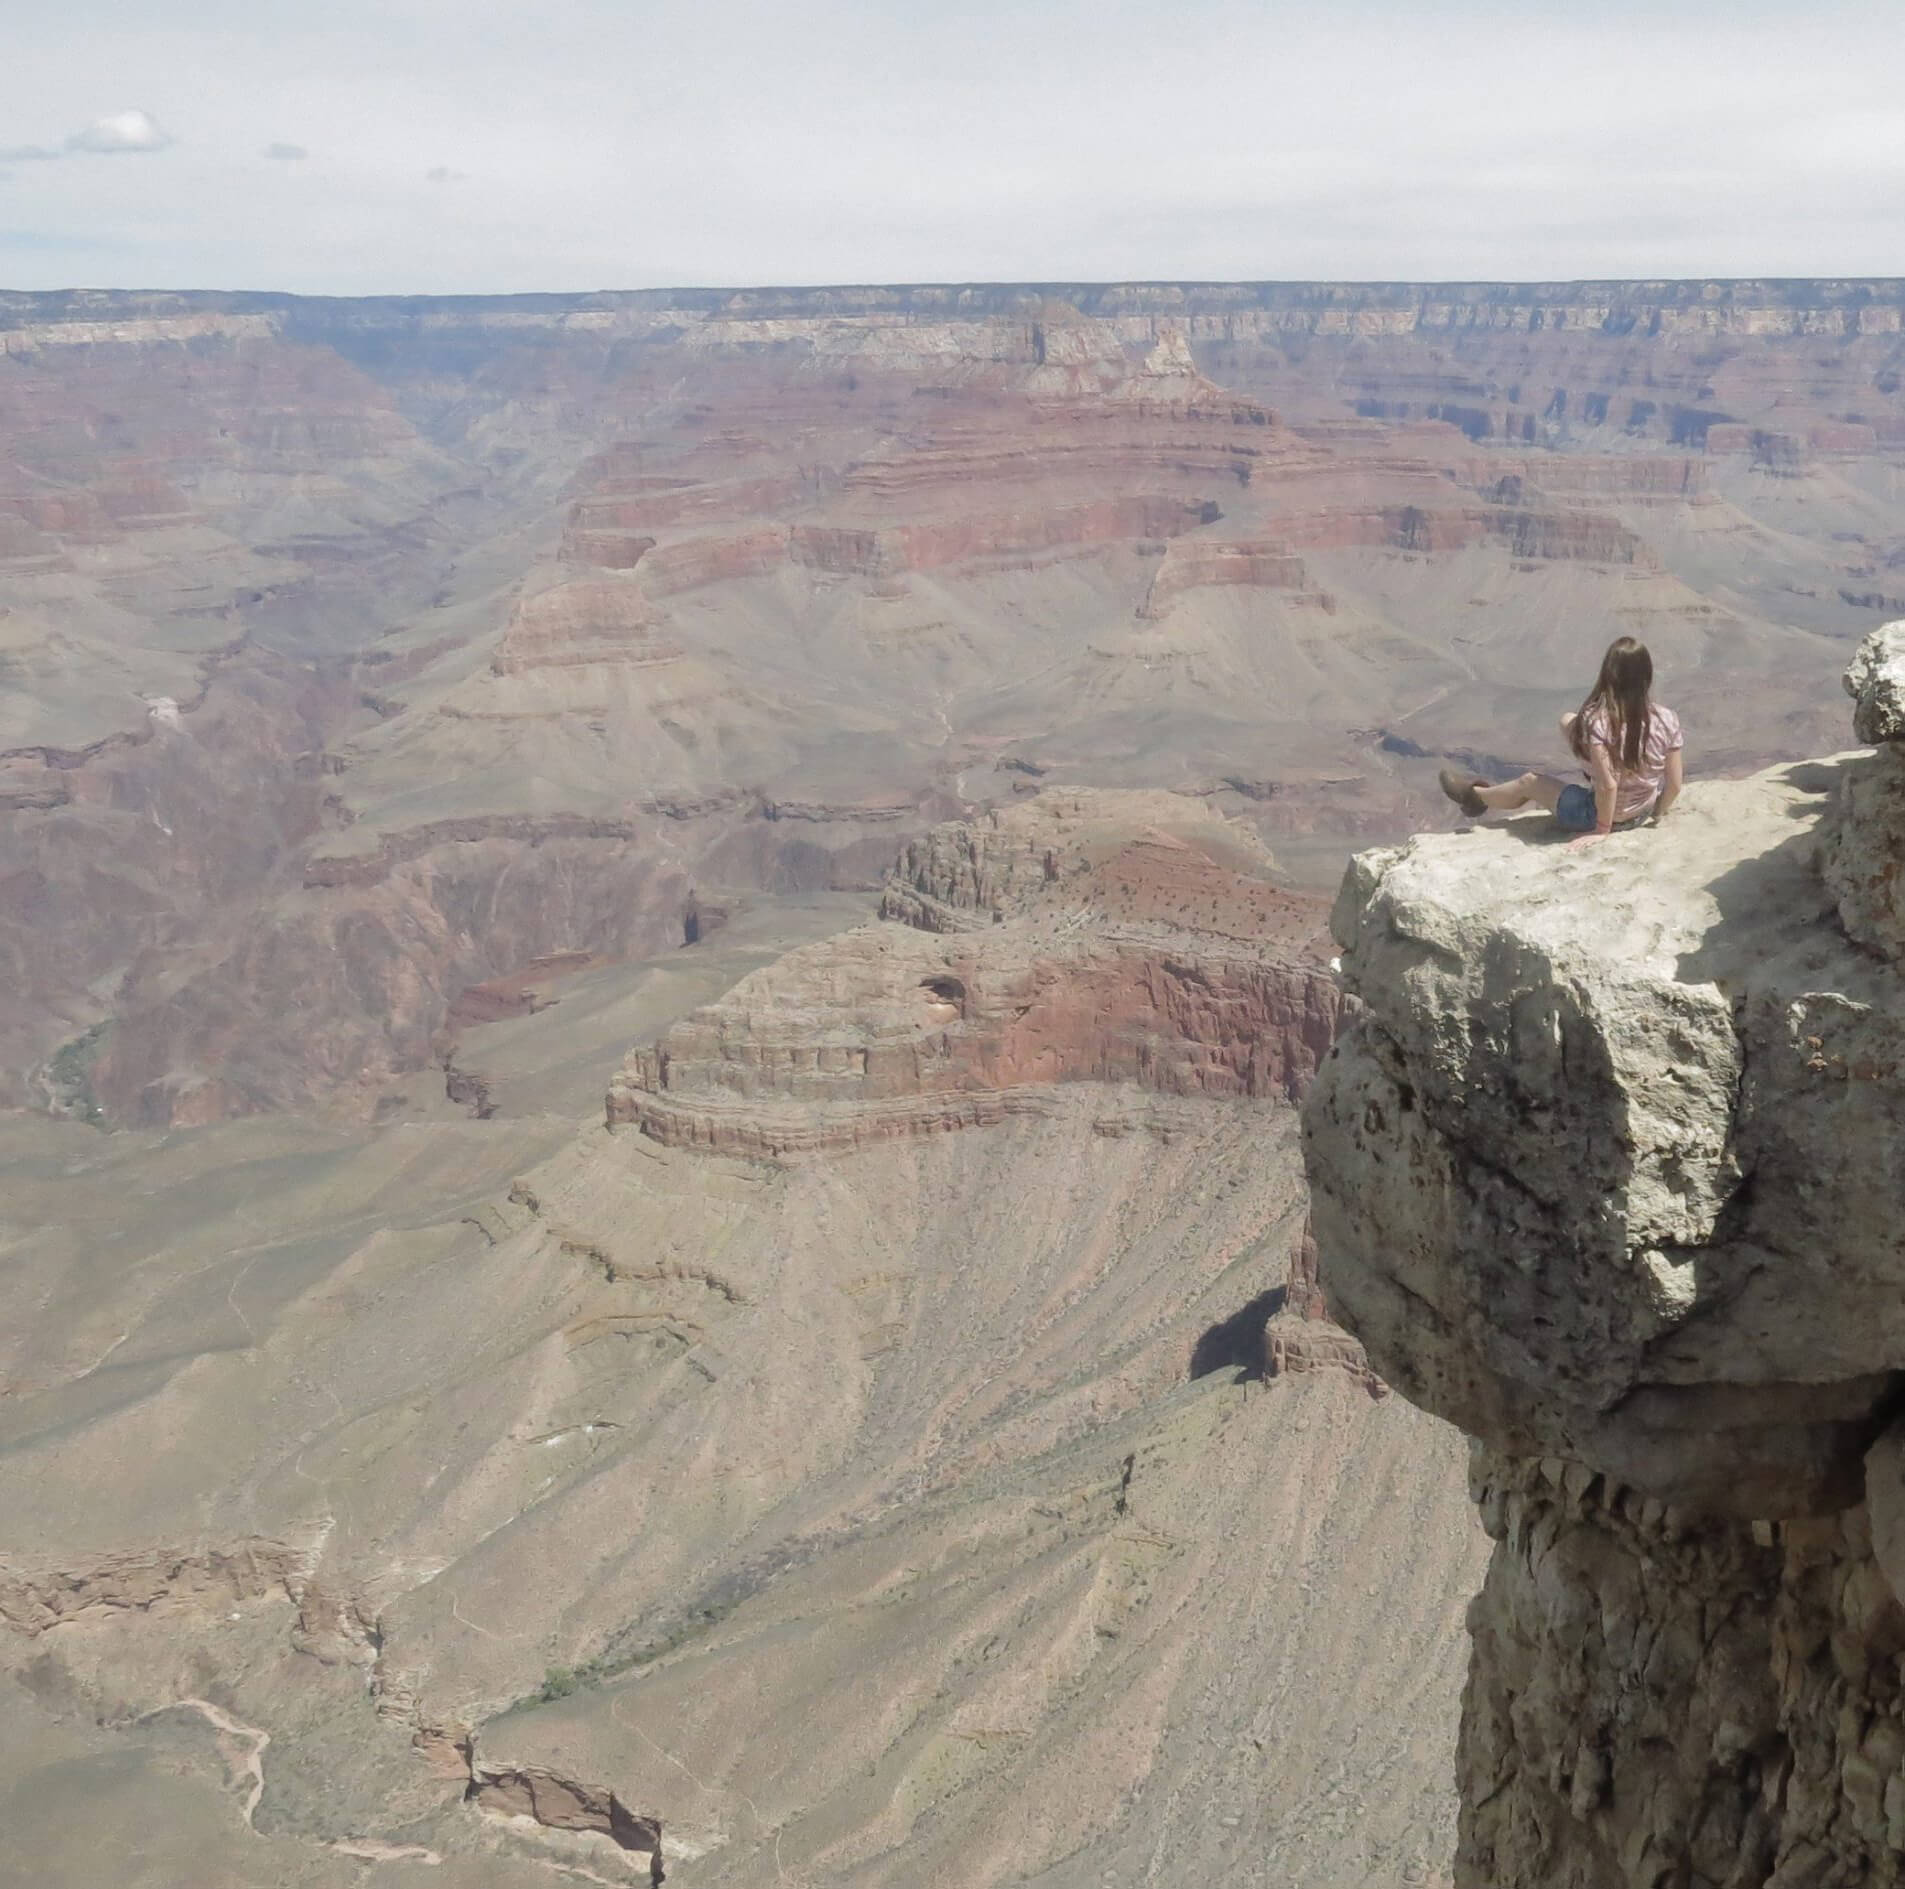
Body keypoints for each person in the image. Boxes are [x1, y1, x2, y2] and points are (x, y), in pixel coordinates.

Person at [1437, 637, 1683, 849]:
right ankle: (1592, 773)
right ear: (1646, 676)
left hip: (1595, 812)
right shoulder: (1666, 718)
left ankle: (1475, 797)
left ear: (1608, 675)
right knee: (1570, 722)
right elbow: (1674, 784)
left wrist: (1601, 829)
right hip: (1641, 812)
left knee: (1529, 782)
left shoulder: (1600, 722)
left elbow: (1609, 785)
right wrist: (1656, 813)